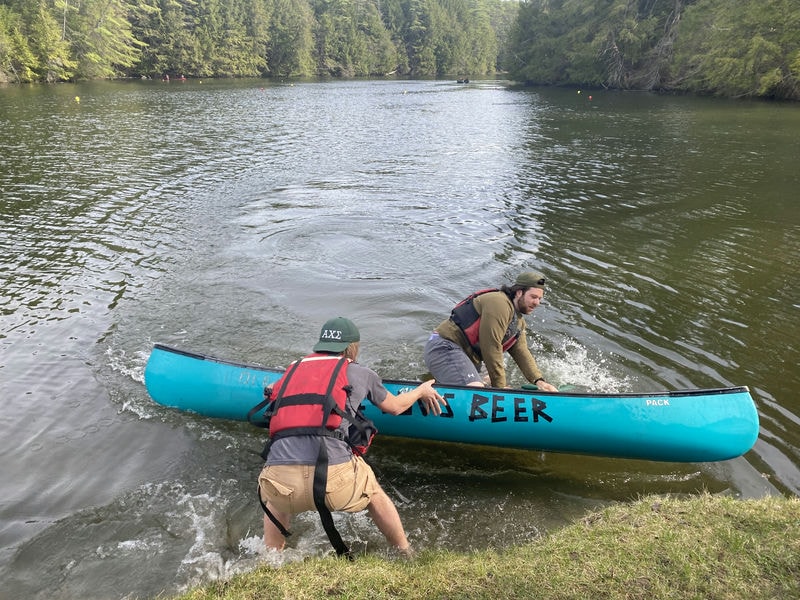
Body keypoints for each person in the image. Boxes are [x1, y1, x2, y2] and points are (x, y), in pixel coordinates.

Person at [256, 316, 447, 558]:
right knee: (375, 493)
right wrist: (421, 390)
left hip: (284, 488)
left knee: (274, 495)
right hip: (333, 485)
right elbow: (396, 407)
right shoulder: (361, 372)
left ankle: (272, 557)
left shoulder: (292, 370)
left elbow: (275, 396)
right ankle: (405, 551)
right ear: (352, 348)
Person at [424, 271, 559, 391]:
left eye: (539, 299)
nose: (537, 303)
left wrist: (539, 381)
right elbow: (491, 346)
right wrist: (500, 389)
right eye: (533, 297)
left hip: (466, 357)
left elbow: (521, 351)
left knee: (488, 381)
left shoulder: (518, 322)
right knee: (478, 390)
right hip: (445, 347)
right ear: (519, 293)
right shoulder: (499, 303)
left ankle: (439, 384)